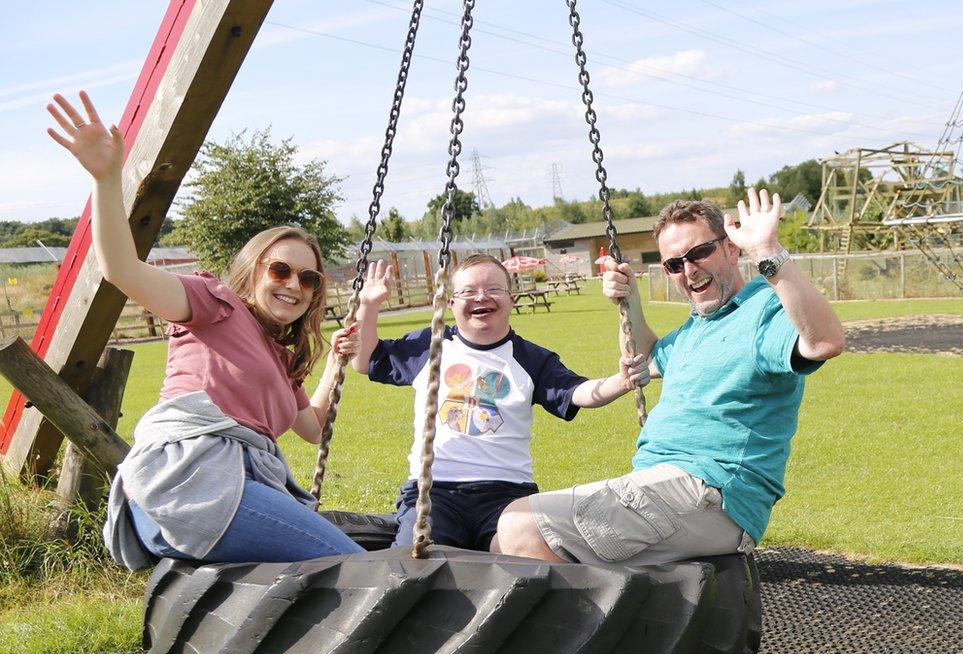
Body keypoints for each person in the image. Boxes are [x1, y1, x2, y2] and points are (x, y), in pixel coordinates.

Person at [46, 90, 369, 569]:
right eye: (279, 270)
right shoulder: (213, 304)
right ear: (252, 270)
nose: (294, 285)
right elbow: (121, 269)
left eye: (308, 278)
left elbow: (313, 428)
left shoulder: (280, 362)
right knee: (354, 568)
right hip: (190, 483)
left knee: (344, 567)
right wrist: (106, 178)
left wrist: (337, 361)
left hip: (229, 489)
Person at [495, 188, 845, 566]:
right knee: (501, 546)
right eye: (675, 264)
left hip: (712, 490)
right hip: (669, 486)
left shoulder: (762, 311)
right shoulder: (696, 328)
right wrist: (629, 303)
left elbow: (824, 341)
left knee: (520, 526)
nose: (689, 270)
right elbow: (643, 358)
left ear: (731, 249)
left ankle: (610, 622)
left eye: (699, 253)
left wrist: (768, 251)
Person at [349, 252, 649, 552]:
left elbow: (577, 392)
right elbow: (365, 360)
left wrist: (620, 381)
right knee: (417, 559)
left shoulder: (531, 359)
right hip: (434, 490)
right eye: (468, 291)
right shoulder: (430, 347)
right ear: (451, 304)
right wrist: (369, 304)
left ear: (511, 299)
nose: (482, 297)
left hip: (506, 494)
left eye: (494, 289)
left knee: (522, 559)